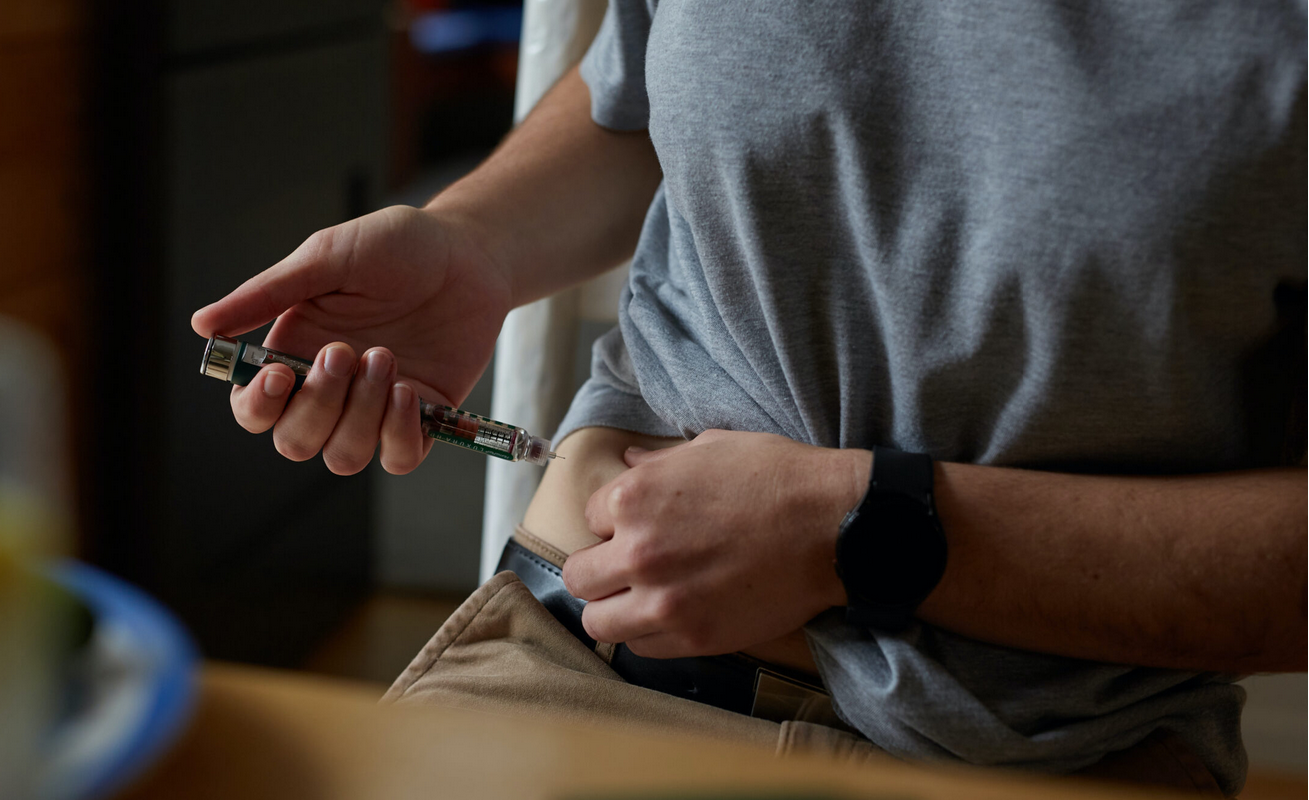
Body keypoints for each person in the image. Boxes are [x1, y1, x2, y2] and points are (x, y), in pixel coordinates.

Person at [192, 2, 1307, 795]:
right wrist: (473, 242)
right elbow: (634, 92)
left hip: (1036, 756)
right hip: (563, 668)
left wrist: (861, 530)